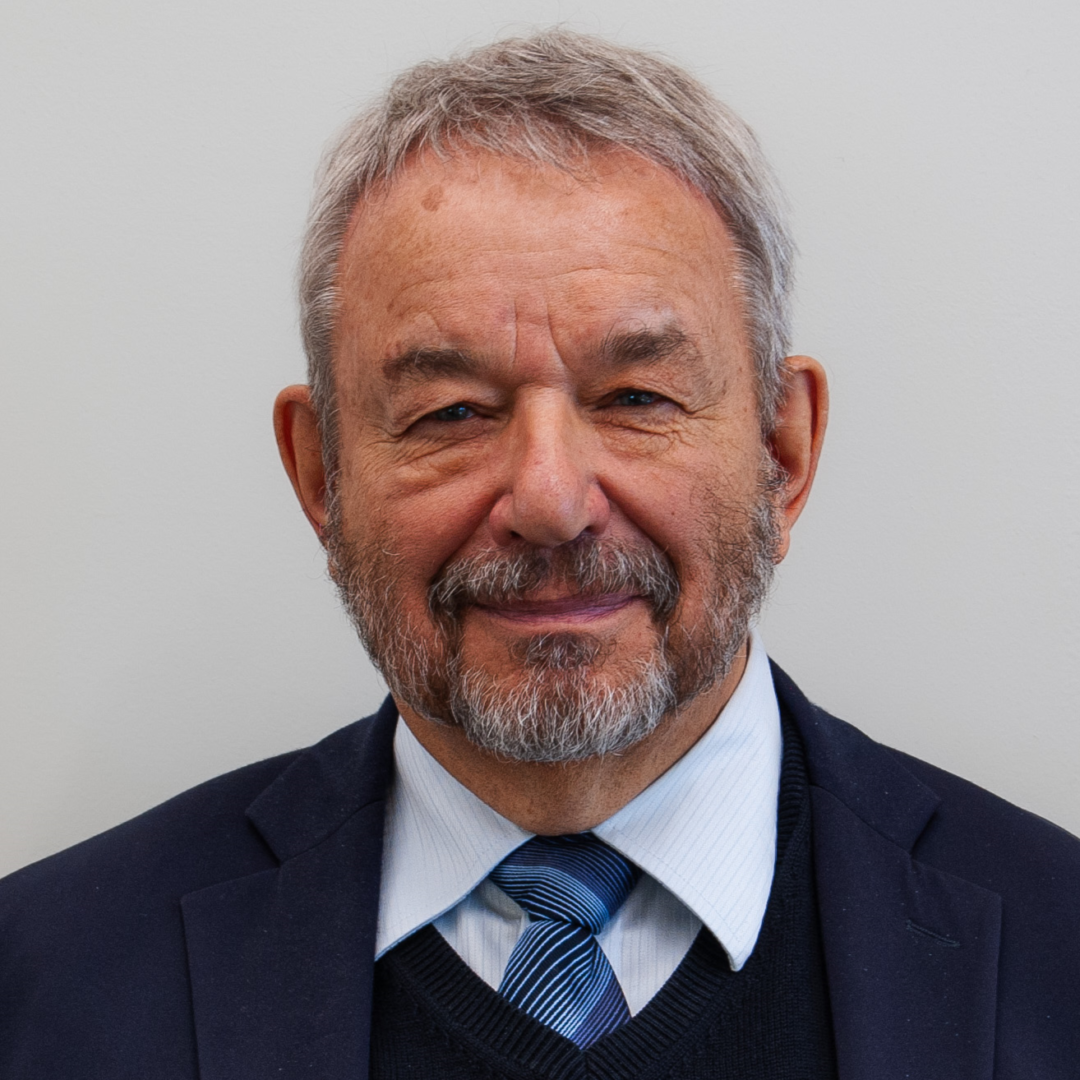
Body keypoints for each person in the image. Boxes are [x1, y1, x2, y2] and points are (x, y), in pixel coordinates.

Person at [1, 29, 1077, 1080]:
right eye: (453, 412)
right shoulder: (47, 984)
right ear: (321, 475)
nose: (552, 502)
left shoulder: (1055, 951)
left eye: (637, 398)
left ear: (782, 452)